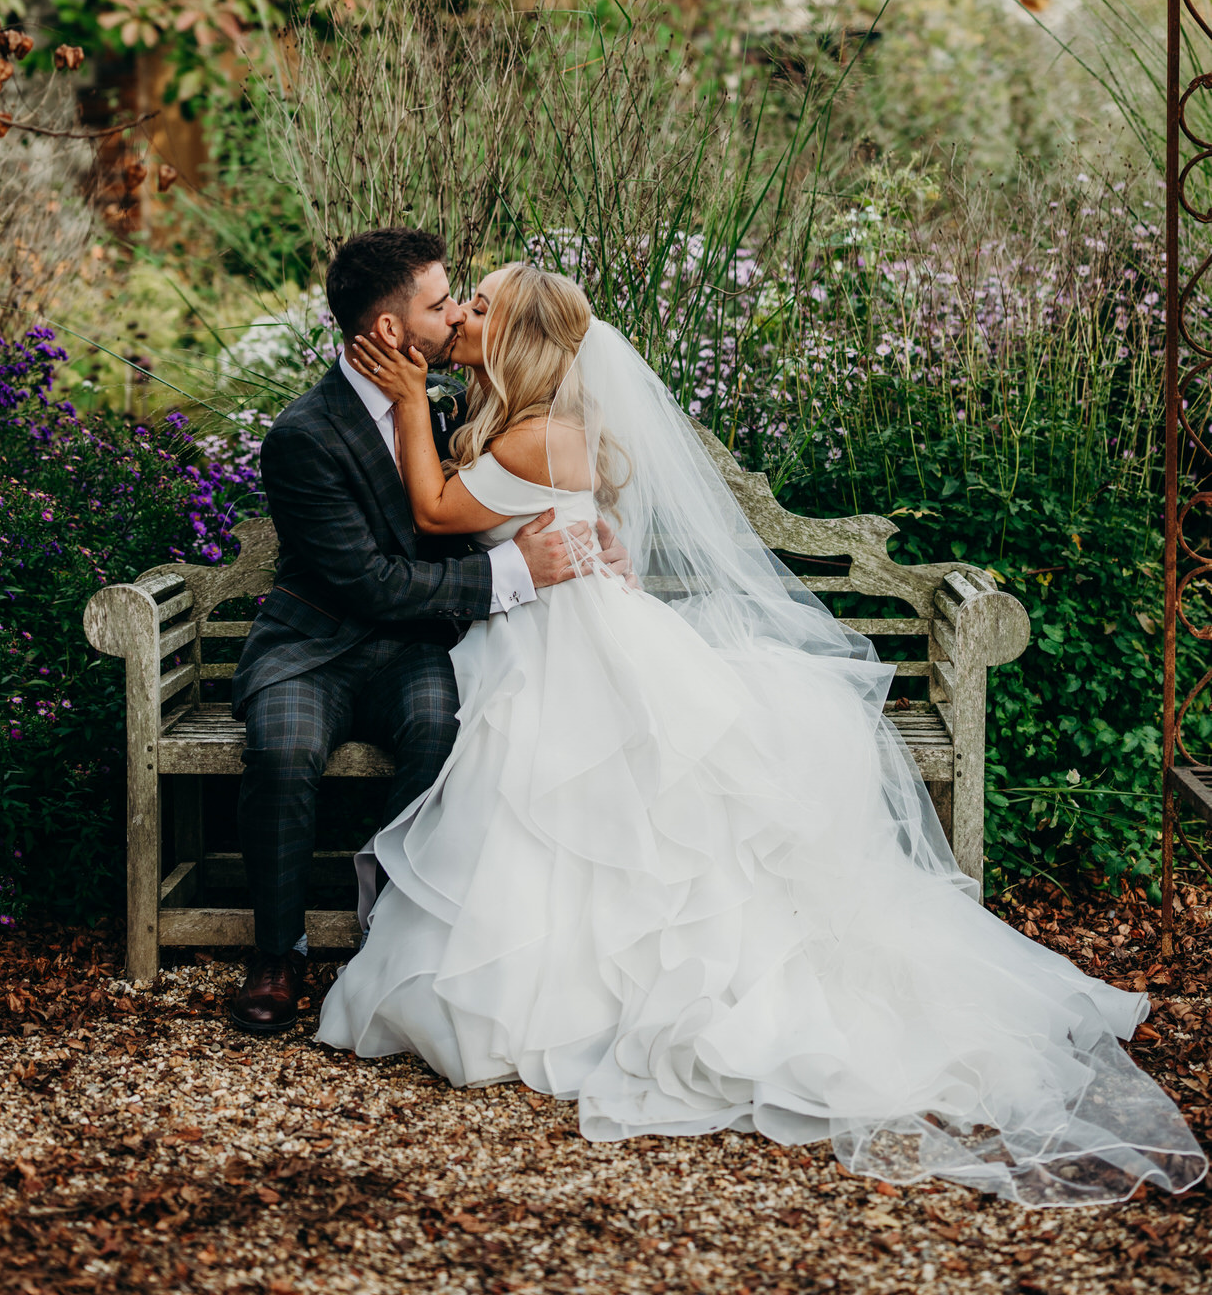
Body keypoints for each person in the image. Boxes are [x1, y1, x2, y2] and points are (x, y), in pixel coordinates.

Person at [317, 262, 1207, 1205]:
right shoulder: (511, 421)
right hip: (533, 632)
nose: (463, 314)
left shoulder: (540, 433)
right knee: (546, 810)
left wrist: (410, 399)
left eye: (482, 306)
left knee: (576, 805)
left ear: (518, 337)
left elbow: (435, 510)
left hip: (562, 645)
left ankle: (571, 995)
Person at [228, 229, 598, 1037]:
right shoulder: (305, 435)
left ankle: (388, 936)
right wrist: (516, 575)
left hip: (413, 648)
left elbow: (544, 471)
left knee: (444, 729)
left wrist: (594, 532)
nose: (457, 311)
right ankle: (278, 951)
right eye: (440, 304)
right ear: (391, 330)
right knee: (284, 749)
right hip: (313, 646)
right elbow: (366, 581)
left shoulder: (450, 407)